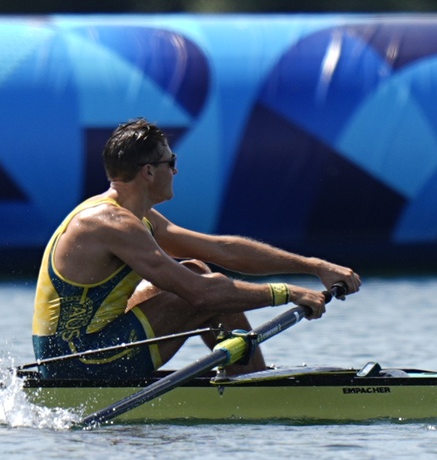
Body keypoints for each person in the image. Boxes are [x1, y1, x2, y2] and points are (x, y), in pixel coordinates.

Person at [32, 118, 362, 380]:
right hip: (79, 364)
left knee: (195, 269)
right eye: (170, 161)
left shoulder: (136, 216)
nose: (175, 170)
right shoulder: (111, 223)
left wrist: (314, 265)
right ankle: (251, 386)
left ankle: (247, 379)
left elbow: (223, 251)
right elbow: (200, 295)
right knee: (201, 291)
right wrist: (286, 293)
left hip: (86, 349)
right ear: (148, 171)